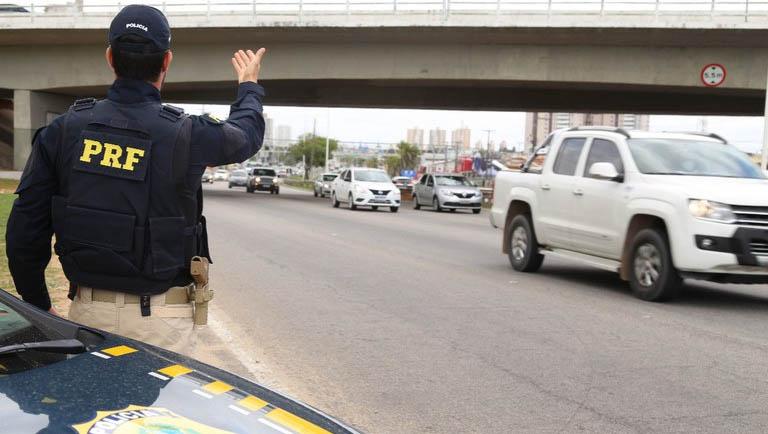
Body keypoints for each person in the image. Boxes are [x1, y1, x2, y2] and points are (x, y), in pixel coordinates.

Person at [5, 4, 267, 353]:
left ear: (110, 57)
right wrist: (248, 87)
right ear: (167, 61)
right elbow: (244, 135)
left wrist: (39, 305)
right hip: (162, 324)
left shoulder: (64, 130)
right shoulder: (186, 133)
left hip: (85, 316)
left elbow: (26, 228)